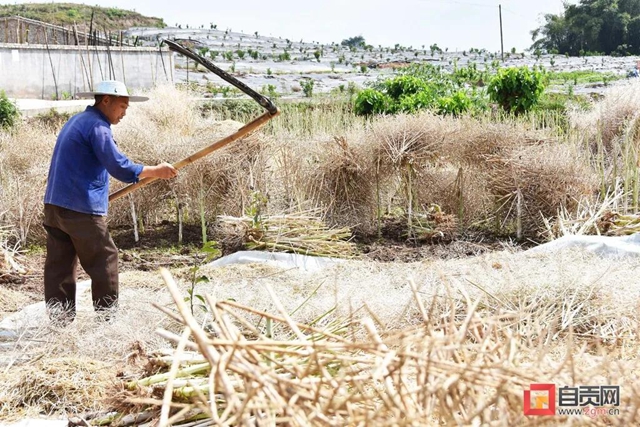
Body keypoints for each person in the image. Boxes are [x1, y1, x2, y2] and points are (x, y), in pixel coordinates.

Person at [43, 80, 178, 325]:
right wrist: (154, 171)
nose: (124, 113)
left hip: (54, 206)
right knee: (105, 258)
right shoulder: (97, 126)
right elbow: (118, 165)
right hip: (79, 207)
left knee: (59, 265)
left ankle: (59, 321)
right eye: (122, 106)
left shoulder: (77, 121)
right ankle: (107, 321)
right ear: (106, 101)